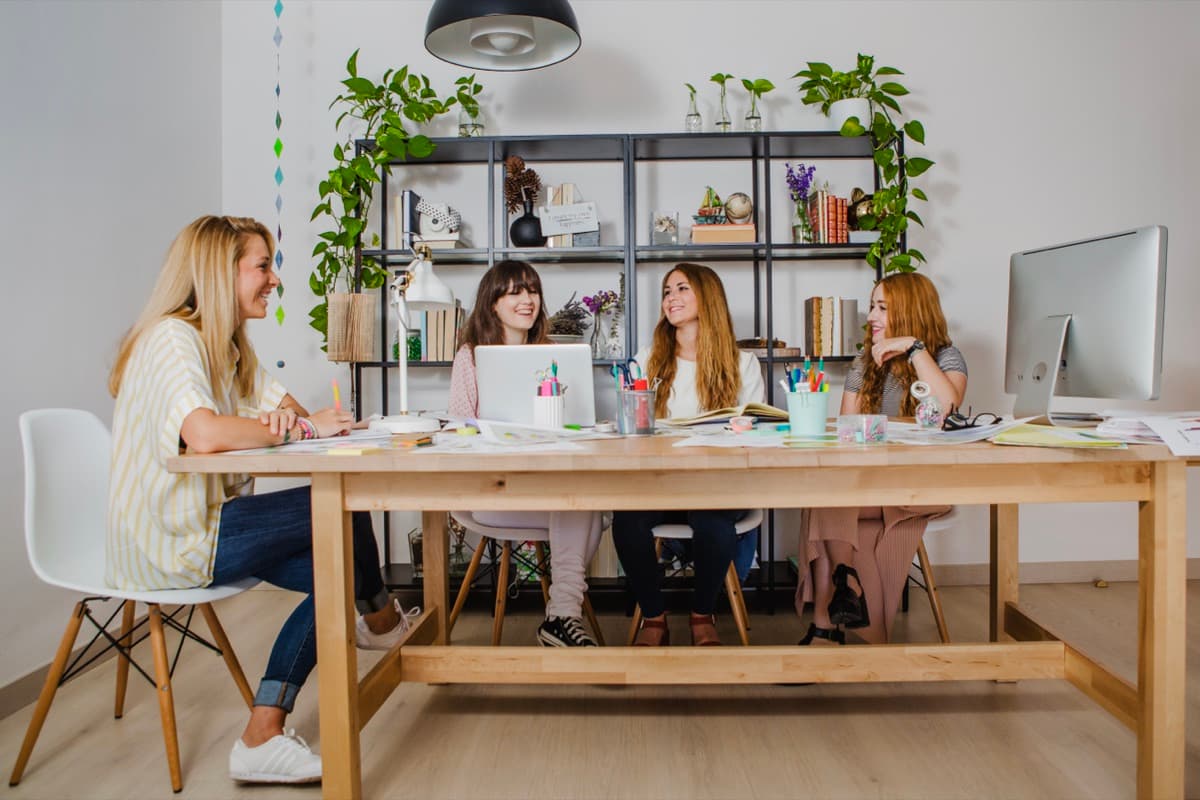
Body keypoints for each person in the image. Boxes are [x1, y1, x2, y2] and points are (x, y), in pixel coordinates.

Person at [107, 215, 414, 785]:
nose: (274, 279)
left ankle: (263, 733)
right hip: (172, 536)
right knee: (342, 512)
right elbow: (204, 434)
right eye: (263, 265)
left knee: (337, 565)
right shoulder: (172, 338)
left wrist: (289, 422)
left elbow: (294, 412)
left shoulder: (227, 347)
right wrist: (291, 430)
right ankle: (379, 620)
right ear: (220, 272)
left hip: (203, 524)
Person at [795, 271, 966, 646]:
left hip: (925, 484)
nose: (871, 316)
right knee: (826, 498)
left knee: (824, 504)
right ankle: (845, 586)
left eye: (882, 308)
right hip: (872, 482)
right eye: (872, 306)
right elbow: (846, 428)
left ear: (910, 312)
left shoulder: (943, 356)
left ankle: (826, 621)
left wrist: (915, 348)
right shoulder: (865, 362)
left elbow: (948, 406)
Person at [447, 260, 605, 647]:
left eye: (532, 290)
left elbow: (575, 425)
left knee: (587, 505)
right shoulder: (470, 356)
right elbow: (457, 429)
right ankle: (563, 616)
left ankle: (561, 616)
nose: (528, 299)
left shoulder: (553, 354)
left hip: (545, 485)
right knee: (582, 508)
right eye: (515, 291)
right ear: (492, 303)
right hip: (491, 491)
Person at [612, 263, 764, 646]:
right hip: (657, 483)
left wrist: (741, 430)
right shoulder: (648, 358)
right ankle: (654, 617)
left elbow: (757, 430)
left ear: (707, 297)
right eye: (666, 291)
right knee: (627, 522)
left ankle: (702, 614)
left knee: (714, 523)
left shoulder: (742, 363)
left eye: (681, 289)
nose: (671, 299)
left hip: (714, 483)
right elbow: (631, 426)